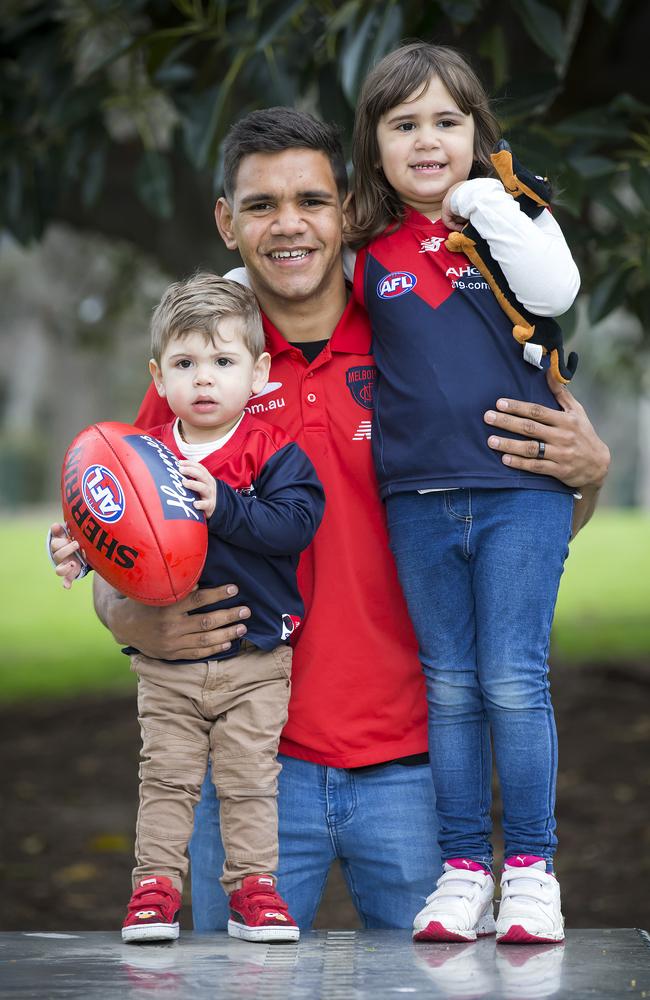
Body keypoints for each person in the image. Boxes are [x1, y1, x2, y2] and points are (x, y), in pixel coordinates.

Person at [50, 107, 610, 933]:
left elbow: (522, 525)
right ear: (225, 221)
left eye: (311, 200)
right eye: (260, 205)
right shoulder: (207, 374)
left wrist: (590, 476)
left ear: (347, 210)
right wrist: (127, 619)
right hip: (246, 767)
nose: (288, 226)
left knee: (441, 988)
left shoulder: (423, 330)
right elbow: (130, 543)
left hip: (416, 774)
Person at [348, 42, 585, 945]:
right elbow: (284, 291)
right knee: (448, 686)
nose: (427, 139)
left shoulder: (513, 212)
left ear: (478, 132)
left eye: (448, 121)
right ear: (374, 144)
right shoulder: (366, 250)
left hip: (520, 490)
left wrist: (484, 199)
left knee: (513, 681)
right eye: (403, 124)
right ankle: (462, 871)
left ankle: (530, 871)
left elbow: (556, 288)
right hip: (416, 497)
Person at [55, 273, 325, 944]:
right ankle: (153, 890)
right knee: (167, 780)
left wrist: (224, 504)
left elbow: (295, 525)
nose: (204, 379)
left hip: (257, 660)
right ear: (159, 374)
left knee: (248, 782)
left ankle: (255, 891)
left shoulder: (274, 453)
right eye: (185, 363)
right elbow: (124, 531)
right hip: (167, 665)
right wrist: (81, 550)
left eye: (223, 361)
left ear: (258, 372)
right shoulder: (143, 457)